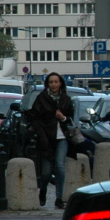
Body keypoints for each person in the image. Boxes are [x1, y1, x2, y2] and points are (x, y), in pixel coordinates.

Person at [28, 72, 74, 209]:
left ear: (60, 83)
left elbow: (70, 119)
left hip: (62, 137)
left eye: (56, 82)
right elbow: (34, 117)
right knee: (46, 172)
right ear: (47, 84)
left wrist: (63, 118)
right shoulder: (41, 98)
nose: (54, 84)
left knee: (59, 166)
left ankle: (59, 198)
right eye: (51, 82)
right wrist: (40, 130)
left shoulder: (66, 99)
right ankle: (43, 190)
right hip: (46, 138)